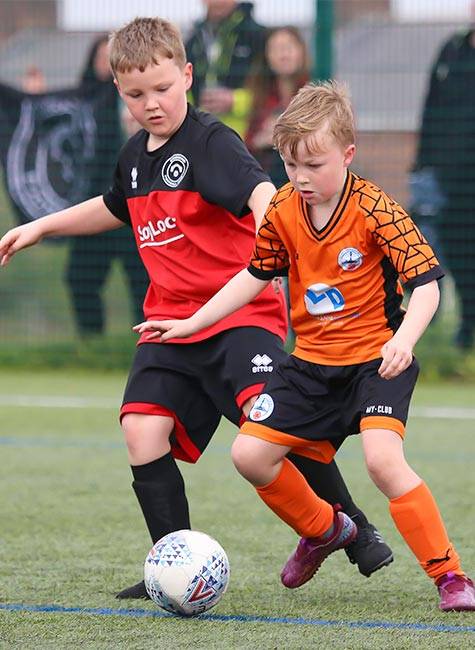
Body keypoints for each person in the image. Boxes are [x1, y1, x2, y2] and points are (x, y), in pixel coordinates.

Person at [0, 19, 392, 602]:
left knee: (272, 422)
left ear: (185, 75)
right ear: (118, 90)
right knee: (140, 431)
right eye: (135, 95)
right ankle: (173, 563)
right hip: (167, 324)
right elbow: (115, 206)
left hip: (239, 317)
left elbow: (262, 193)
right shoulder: (134, 157)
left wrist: (279, 234)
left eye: (161, 88)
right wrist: (38, 226)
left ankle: (353, 527)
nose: (151, 104)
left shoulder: (211, 141)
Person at [139, 81, 475, 612]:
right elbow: (254, 274)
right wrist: (190, 321)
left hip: (375, 364)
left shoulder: (376, 210)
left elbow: (428, 285)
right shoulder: (283, 209)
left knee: (383, 462)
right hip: (309, 368)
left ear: (347, 154)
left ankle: (451, 577)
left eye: (314, 165)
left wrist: (405, 341)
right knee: (250, 456)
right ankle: (325, 530)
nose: (300, 178)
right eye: (290, 165)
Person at [65, 35, 148, 337]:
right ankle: (92, 344)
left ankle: (149, 345)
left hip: (137, 212)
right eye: (101, 57)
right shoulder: (81, 102)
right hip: (95, 208)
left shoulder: (145, 99)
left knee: (144, 283)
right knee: (79, 278)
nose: (107, 63)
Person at [413, 15, 475, 349]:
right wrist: (423, 162)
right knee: (451, 250)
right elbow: (430, 107)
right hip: (448, 176)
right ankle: (465, 328)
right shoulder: (452, 50)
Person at [186, 1, 266, 135]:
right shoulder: (194, 38)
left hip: (244, 136)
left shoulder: (256, 35)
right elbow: (184, 85)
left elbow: (268, 88)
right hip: (201, 134)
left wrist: (235, 100)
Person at [245, 26, 309, 188]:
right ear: (267, 56)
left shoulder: (315, 90)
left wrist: (285, 134)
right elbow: (248, 143)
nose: (283, 54)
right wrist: (262, 140)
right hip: (268, 180)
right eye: (276, 49)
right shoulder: (259, 94)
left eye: (288, 47)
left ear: (301, 52)